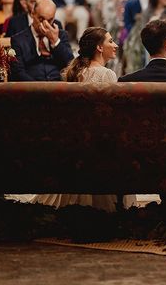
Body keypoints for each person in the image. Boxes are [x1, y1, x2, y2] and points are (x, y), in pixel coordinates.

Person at [31, 27, 121, 212]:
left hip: (74, 139)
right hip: (98, 142)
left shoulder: (75, 72)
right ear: (99, 47)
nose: (116, 45)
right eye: (110, 41)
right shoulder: (107, 74)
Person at [10, 0, 74, 81]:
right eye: (41, 19)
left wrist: (55, 41)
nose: (45, 24)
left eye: (50, 20)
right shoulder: (18, 40)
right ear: (32, 14)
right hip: (31, 89)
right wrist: (38, 89)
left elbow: (71, 64)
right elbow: (18, 72)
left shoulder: (61, 35)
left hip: (58, 88)